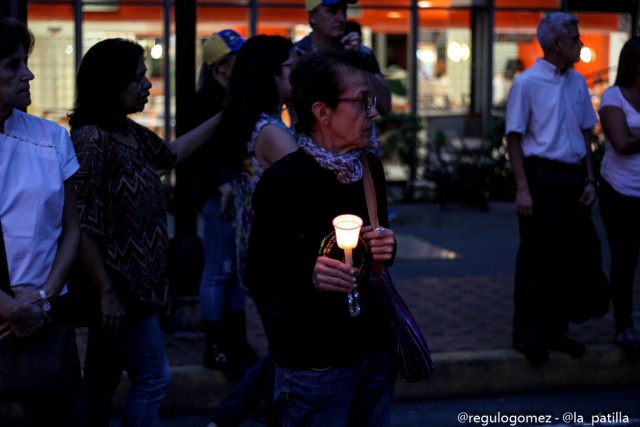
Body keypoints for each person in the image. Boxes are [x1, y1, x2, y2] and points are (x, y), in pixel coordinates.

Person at [69, 38, 219, 426]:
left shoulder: (127, 132)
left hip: (137, 285)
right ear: (111, 85)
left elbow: (170, 155)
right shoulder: (92, 140)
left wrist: (227, 116)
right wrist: (107, 293)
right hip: (122, 287)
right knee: (153, 377)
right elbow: (83, 225)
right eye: (138, 79)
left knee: (99, 384)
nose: (148, 85)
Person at [244, 48, 397, 426]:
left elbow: (375, 257)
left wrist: (385, 248)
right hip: (315, 361)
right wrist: (308, 276)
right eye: (362, 102)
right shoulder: (284, 181)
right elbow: (258, 276)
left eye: (372, 100)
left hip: (372, 349)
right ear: (322, 112)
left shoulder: (368, 168)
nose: (372, 112)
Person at [0, 16, 81, 425]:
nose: (27, 73)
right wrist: (7, 307)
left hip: (46, 312)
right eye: (12, 64)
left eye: (24, 61)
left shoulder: (52, 138)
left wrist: (44, 296)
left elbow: (72, 228)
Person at [505, 12, 599, 364]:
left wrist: (590, 179)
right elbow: (514, 137)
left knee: (568, 257)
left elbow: (586, 132)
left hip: (573, 176)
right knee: (535, 257)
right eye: (575, 38)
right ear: (557, 44)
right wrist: (523, 188)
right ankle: (527, 332)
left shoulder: (576, 82)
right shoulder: (527, 84)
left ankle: (555, 330)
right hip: (541, 175)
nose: (581, 43)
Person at [191, 29, 257, 379]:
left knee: (231, 272)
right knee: (218, 271)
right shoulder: (207, 102)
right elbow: (196, 154)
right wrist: (221, 185)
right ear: (221, 66)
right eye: (237, 60)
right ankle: (216, 347)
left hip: (232, 195)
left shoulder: (233, 98)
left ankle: (235, 343)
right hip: (219, 198)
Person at [597, 36, 640, 352]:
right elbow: (621, 142)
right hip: (620, 191)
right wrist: (628, 134)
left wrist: (633, 132)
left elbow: (629, 136)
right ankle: (623, 324)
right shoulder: (613, 97)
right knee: (624, 260)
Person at [294, 0, 392, 116]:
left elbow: (384, 106)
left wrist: (358, 62)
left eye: (344, 10)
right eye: (332, 11)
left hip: (361, 131)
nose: (341, 18)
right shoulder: (295, 55)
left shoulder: (361, 52)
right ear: (312, 16)